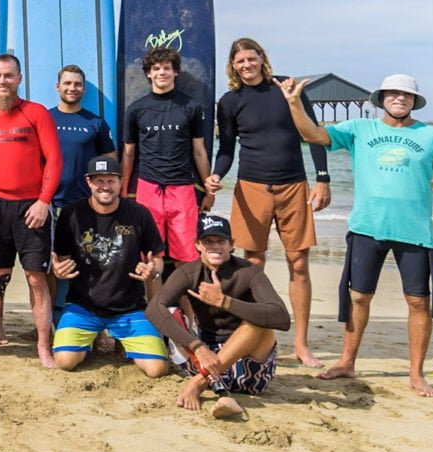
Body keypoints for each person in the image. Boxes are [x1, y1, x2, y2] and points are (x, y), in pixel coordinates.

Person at [281, 74, 433, 397]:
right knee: (359, 296)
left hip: (415, 233)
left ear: (414, 101)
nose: (399, 98)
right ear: (381, 98)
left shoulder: (432, 136)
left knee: (418, 301)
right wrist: (294, 102)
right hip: (367, 228)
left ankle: (416, 374)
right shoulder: (359, 129)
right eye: (392, 93)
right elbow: (313, 135)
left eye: (406, 95)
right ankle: (347, 362)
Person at [202, 39, 331, 367]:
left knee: (298, 263)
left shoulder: (286, 88)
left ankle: (301, 343)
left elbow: (313, 134)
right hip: (252, 187)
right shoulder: (229, 101)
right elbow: (227, 148)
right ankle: (256, 334)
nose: (247, 65)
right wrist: (216, 174)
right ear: (233, 66)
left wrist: (323, 178)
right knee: (254, 265)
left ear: (262, 58)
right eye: (240, 61)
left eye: (251, 58)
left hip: (293, 185)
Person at [0, 54, 63, 365]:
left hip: (32, 206)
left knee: (36, 277)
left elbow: (54, 160)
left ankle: (43, 345)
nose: (2, 81)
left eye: (9, 75)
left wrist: (44, 201)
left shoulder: (35, 113)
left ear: (19, 79)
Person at [146, 214, 291, 417]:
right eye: (208, 241)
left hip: (248, 369)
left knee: (259, 323)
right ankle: (215, 387)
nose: (215, 246)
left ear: (231, 244)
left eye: (221, 241)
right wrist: (197, 347)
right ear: (197, 245)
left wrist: (225, 302)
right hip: (205, 356)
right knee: (172, 313)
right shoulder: (189, 273)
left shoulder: (249, 272)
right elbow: (153, 309)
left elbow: (282, 318)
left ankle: (198, 383)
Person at [50, 157, 167, 377]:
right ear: (89, 182)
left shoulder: (139, 213)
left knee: (157, 370)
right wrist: (58, 271)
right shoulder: (71, 213)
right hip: (83, 306)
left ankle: (123, 341)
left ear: (120, 182)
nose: (105, 187)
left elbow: (157, 258)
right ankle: (91, 340)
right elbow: (61, 259)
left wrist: (153, 270)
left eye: (111, 181)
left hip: (129, 308)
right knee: (65, 361)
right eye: (99, 181)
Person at [121, 46, 212, 267]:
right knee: (150, 255)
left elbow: (199, 151)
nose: (162, 72)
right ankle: (156, 292)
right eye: (156, 68)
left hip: (182, 187)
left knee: (187, 255)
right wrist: (123, 189)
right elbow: (129, 154)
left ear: (175, 72)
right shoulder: (136, 109)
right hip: (148, 186)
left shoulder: (191, 107)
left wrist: (209, 191)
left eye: (167, 68)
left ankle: (184, 291)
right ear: (148, 73)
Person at [49, 64, 117, 320]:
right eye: (67, 83)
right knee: (50, 264)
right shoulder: (45, 118)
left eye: (77, 84)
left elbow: (111, 162)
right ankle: (50, 320)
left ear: (83, 89)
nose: (72, 88)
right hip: (50, 204)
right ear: (58, 87)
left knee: (90, 263)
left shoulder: (95, 123)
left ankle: (90, 319)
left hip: (84, 206)